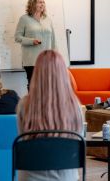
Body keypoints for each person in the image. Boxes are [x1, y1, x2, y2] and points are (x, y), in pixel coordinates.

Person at [16, 50, 82, 181]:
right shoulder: (75, 105)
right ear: (63, 73)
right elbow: (78, 141)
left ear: (37, 73)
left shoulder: (24, 104)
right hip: (66, 176)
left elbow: (22, 138)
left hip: (30, 175)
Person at [15, 0, 56, 90]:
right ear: (33, 3)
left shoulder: (48, 19)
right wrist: (31, 41)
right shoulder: (24, 19)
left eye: (43, 2)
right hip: (31, 61)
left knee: (47, 87)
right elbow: (17, 37)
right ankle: (33, 105)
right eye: (39, 2)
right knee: (34, 87)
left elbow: (53, 39)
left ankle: (46, 105)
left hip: (47, 60)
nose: (42, 4)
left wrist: (55, 57)